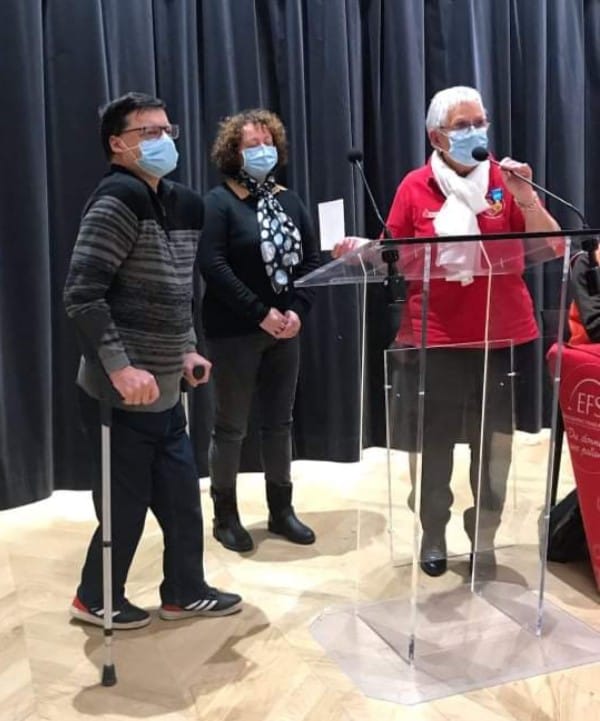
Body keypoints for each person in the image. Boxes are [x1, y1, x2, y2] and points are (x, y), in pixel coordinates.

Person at [334, 86, 560, 577]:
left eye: (480, 122)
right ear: (436, 137)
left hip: (499, 334)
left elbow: (553, 245)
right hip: (435, 336)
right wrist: (361, 250)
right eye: (462, 125)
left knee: (493, 444)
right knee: (433, 443)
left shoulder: (505, 180)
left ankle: (485, 533)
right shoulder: (415, 186)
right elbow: (392, 252)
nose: (475, 132)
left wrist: (526, 197)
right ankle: (433, 531)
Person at [63, 92, 242, 628]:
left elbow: (176, 291)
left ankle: (185, 590)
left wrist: (186, 346)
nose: (164, 140)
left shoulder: (182, 203)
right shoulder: (116, 200)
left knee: (183, 498)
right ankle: (95, 597)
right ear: (118, 145)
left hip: (165, 388)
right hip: (120, 392)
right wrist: (120, 367)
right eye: (149, 133)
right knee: (124, 506)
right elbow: (82, 295)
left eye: (168, 131)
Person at [197, 108, 320, 553]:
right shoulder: (219, 202)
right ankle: (225, 516)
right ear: (233, 152)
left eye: (268, 143)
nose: (263, 150)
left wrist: (297, 311)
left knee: (279, 423)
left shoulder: (289, 200)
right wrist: (259, 313)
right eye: (252, 145)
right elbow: (213, 265)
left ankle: (281, 510)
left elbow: (310, 261)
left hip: (286, 330)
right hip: (234, 331)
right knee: (231, 427)